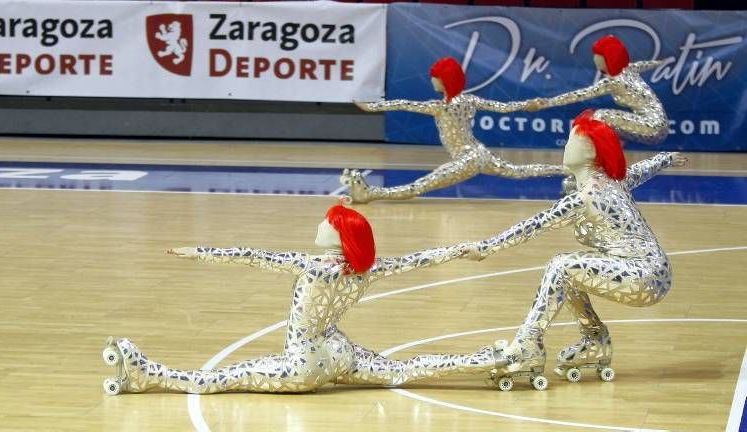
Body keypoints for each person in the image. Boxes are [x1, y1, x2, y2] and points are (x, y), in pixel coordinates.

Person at [102, 202, 517, 395]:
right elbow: (420, 260)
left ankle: (147, 374)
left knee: (221, 378)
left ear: (339, 236)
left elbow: (253, 256)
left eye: (328, 222)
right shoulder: (366, 269)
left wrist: (199, 252)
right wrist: (460, 249)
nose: (321, 224)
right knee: (399, 370)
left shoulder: (315, 266)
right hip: (339, 351)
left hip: (304, 364)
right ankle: (488, 358)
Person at [463, 109, 685, 386]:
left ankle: (528, 343)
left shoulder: (587, 195)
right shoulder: (612, 182)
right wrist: (666, 158)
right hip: (654, 272)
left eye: (572, 141)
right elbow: (642, 169)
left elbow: (535, 225)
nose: (566, 146)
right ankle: (595, 341)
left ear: (591, 151)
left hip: (644, 276)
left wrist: (486, 248)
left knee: (562, 265)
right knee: (570, 274)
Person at [342, 57, 567, 204]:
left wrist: (373, 107)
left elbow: (402, 103)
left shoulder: (440, 107)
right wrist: (526, 105)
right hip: (480, 154)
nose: (432, 80)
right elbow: (503, 107)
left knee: (420, 185)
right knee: (518, 171)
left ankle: (370, 194)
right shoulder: (468, 101)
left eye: (436, 77)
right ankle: (567, 170)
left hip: (468, 159)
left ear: (445, 81)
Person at [524, 35, 668, 145]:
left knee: (600, 116)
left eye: (598, 57)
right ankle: (610, 152)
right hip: (660, 125)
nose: (594, 60)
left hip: (653, 128)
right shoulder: (630, 69)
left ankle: (604, 155)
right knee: (600, 119)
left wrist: (545, 103)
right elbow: (648, 64)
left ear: (609, 58)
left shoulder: (614, 81)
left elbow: (578, 95)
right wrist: (664, 61)